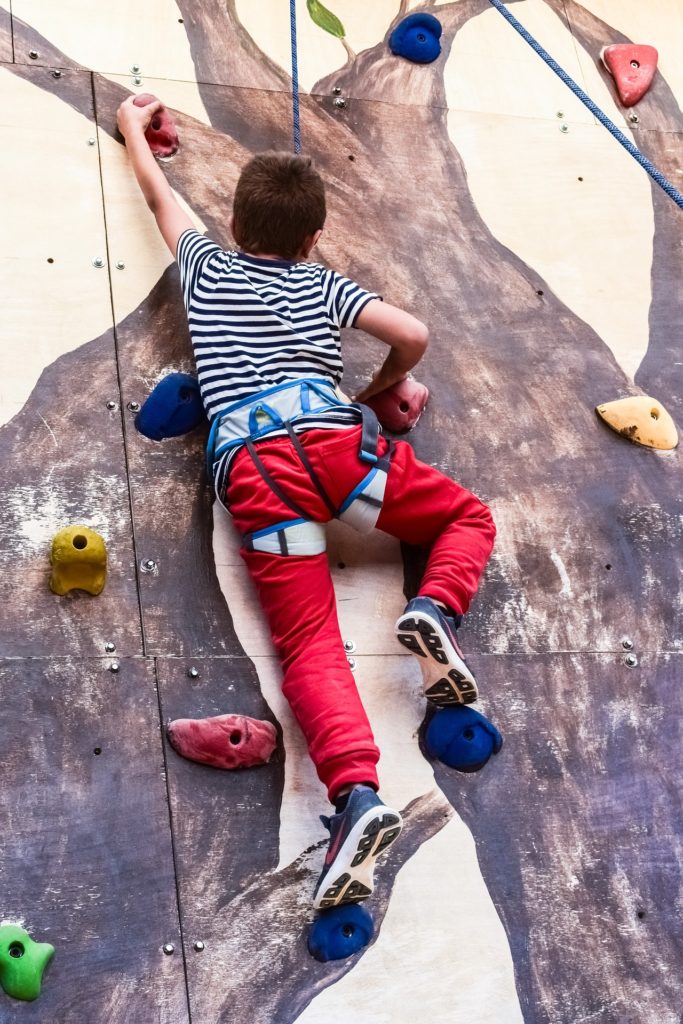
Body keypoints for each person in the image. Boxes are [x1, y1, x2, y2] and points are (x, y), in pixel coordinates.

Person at [116, 96, 496, 910]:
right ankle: (433, 606)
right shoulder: (325, 284)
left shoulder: (206, 266)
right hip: (336, 453)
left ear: (233, 222)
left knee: (309, 646)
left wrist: (128, 129)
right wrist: (380, 384)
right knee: (465, 517)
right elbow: (415, 333)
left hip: (257, 474)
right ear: (312, 238)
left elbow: (158, 195)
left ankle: (357, 793)